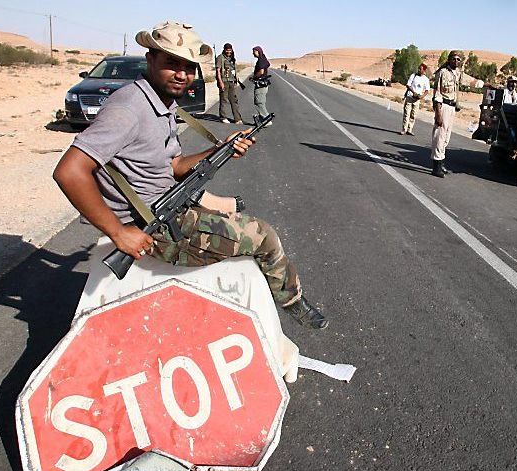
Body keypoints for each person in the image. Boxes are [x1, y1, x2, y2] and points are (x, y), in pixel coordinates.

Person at [52, 20, 327, 328]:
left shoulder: (159, 104)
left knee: (235, 211)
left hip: (167, 205)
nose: (182, 74)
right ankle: (292, 301)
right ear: (150, 59)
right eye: (172, 63)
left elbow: (173, 167)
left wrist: (221, 149)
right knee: (263, 236)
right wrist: (119, 232)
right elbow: (69, 170)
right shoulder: (128, 109)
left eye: (189, 66)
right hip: (152, 226)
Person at [430, 51, 483, 177]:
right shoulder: (442, 73)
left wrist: (487, 85)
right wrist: (438, 114)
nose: (456, 61)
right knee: (440, 136)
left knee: (446, 137)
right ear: (449, 60)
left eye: (458, 59)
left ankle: (441, 163)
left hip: (452, 108)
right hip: (443, 106)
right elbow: (437, 94)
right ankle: (436, 166)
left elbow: (472, 81)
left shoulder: (458, 74)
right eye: (453, 59)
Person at [215, 43, 243, 124]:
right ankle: (223, 117)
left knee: (234, 100)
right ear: (224, 49)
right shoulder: (220, 58)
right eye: (227, 50)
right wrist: (220, 82)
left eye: (230, 50)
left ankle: (237, 119)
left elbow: (234, 69)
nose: (229, 52)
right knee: (224, 99)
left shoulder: (232, 58)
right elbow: (218, 71)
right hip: (224, 81)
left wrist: (236, 79)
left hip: (231, 81)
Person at [401, 63, 430, 135]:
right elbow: (408, 85)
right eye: (419, 68)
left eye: (421, 69)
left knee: (413, 115)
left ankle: (409, 129)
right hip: (410, 97)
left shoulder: (426, 79)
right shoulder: (413, 76)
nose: (419, 70)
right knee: (406, 114)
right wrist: (413, 92)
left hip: (417, 99)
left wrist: (422, 96)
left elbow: (427, 90)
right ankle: (404, 129)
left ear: (424, 71)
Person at [250, 46, 273, 125]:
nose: (253, 53)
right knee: (260, 102)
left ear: (257, 51)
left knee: (259, 102)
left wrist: (254, 77)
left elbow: (261, 72)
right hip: (262, 85)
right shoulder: (263, 58)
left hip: (261, 85)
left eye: (254, 51)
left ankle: (267, 119)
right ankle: (261, 120)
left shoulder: (261, 60)